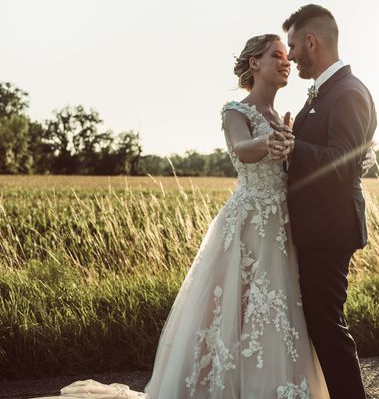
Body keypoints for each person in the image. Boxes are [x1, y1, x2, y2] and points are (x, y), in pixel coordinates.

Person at [31, 34, 330, 398]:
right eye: (277, 55)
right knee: (232, 315)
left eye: (288, 56)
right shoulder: (236, 111)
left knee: (273, 315)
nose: (287, 62)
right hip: (248, 225)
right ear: (255, 63)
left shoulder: (284, 118)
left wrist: (291, 147)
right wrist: (268, 144)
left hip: (282, 228)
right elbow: (241, 148)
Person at [271, 4, 377, 399]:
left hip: (330, 230)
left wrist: (295, 146)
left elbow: (342, 165)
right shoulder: (327, 93)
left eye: (295, 45)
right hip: (319, 227)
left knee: (327, 325)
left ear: (312, 42)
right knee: (321, 323)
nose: (292, 54)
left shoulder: (347, 93)